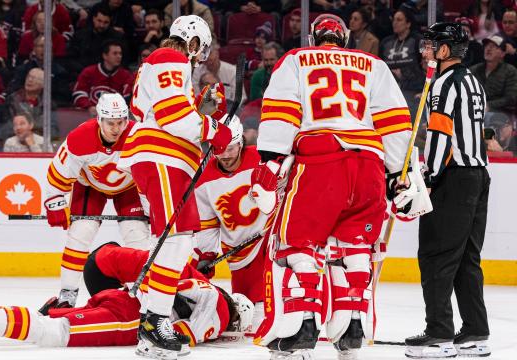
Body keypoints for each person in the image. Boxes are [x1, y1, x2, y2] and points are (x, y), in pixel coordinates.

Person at [249, 14, 412, 360]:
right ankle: (353, 326)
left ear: (314, 37)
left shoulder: (296, 59)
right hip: (369, 163)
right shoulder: (373, 64)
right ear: (343, 38)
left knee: (298, 244)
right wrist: (398, 173)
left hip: (321, 161)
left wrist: (271, 159)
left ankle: (301, 325)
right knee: (354, 248)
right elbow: (395, 120)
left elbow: (281, 110)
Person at [117, 14, 232, 358]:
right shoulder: (171, 58)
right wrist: (211, 127)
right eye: (201, 49)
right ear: (193, 41)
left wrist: (203, 109)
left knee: (170, 242)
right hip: (162, 158)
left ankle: (150, 327)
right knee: (177, 240)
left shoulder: (166, 64)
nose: (200, 57)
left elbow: (161, 109)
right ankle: (155, 320)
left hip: (166, 159)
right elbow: (171, 115)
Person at [0, 244, 254, 353]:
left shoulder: (201, 283)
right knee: (55, 333)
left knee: (53, 323)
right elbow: (180, 338)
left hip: (121, 295)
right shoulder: (221, 313)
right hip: (128, 316)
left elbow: (170, 276)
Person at [405, 22, 491, 359]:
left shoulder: (443, 83)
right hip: (478, 176)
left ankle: (439, 334)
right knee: (467, 258)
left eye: (430, 45)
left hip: (452, 178)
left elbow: (441, 134)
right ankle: (474, 331)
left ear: (445, 50)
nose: (425, 50)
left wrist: (428, 175)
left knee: (436, 255)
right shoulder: (473, 80)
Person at [42, 93, 149, 312]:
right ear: (99, 119)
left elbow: (149, 175)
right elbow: (59, 172)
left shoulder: (137, 136)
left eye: (121, 122)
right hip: (90, 185)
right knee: (81, 233)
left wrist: (154, 210)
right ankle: (67, 295)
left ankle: (144, 294)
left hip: (129, 187)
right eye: (111, 123)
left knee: (137, 236)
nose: (116, 128)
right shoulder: (80, 137)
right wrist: (55, 201)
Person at [193, 115, 268, 330]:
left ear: (241, 142)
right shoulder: (202, 176)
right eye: (218, 149)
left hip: (268, 237)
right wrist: (206, 256)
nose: (225, 155)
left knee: (267, 306)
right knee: (246, 312)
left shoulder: (261, 158)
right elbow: (207, 223)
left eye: (231, 148)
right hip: (238, 251)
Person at [72, 40, 134, 115]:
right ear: (105, 56)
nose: (119, 56)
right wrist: (89, 107)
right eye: (115, 53)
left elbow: (128, 98)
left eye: (120, 53)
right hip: (90, 116)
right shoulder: (89, 72)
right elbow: (79, 93)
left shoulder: (126, 75)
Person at [379, 8, 424, 100]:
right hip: (389, 89)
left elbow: (424, 66)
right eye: (394, 20)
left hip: (413, 89)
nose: (395, 23)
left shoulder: (417, 40)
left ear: (408, 24)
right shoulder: (385, 42)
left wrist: (403, 73)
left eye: (399, 20)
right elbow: (380, 66)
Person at [67, 4, 126, 72]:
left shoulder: (117, 38)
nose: (101, 25)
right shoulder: (80, 35)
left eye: (106, 22)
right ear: (93, 19)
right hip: (82, 73)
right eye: (99, 21)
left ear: (110, 21)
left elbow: (123, 61)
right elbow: (71, 59)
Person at [470, 35, 517, 115]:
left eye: (494, 47)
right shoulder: (473, 69)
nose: (488, 49)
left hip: (500, 113)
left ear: (502, 54)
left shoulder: (510, 71)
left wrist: (489, 105)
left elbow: (511, 98)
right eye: (487, 46)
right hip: (474, 111)